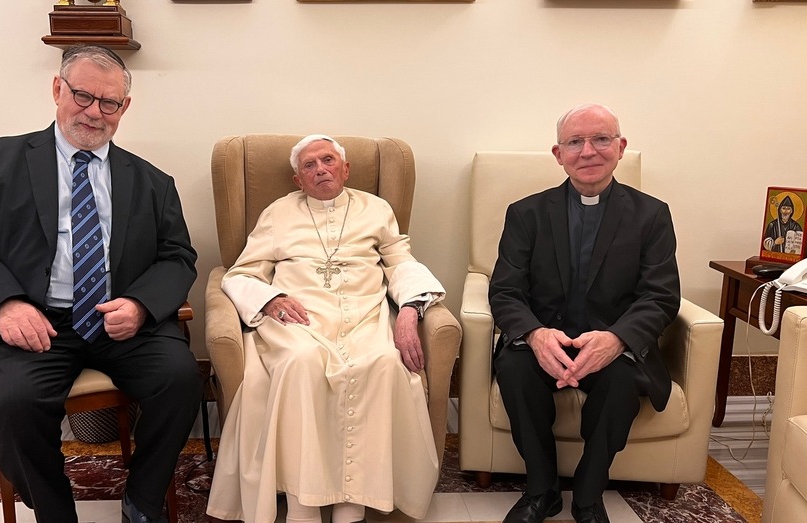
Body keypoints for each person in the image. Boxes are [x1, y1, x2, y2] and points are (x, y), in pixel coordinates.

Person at [0, 45, 201, 523]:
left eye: (109, 103)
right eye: (82, 95)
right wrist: (4, 305)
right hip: (36, 322)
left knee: (181, 380)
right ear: (57, 89)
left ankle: (141, 499)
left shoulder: (153, 182)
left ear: (124, 109)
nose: (94, 112)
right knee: (14, 405)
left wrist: (141, 306)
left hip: (121, 319)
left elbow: (178, 256)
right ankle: (54, 510)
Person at [206, 135, 445, 523]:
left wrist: (409, 312)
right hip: (299, 320)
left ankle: (353, 504)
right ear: (298, 180)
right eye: (309, 166)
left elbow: (401, 261)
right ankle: (305, 505)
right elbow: (242, 271)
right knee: (300, 363)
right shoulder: (278, 213)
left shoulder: (376, 208)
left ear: (345, 169)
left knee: (384, 363)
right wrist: (270, 300)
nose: (321, 170)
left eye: (328, 160)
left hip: (365, 316)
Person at [489, 104, 680, 523]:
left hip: (614, 341)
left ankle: (589, 496)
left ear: (620, 147)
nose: (588, 151)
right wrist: (537, 335)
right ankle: (541, 491)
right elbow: (505, 291)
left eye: (601, 139)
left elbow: (660, 296)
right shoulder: (526, 213)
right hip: (544, 339)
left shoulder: (652, 215)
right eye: (575, 142)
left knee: (620, 382)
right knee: (517, 372)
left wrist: (616, 339)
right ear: (558, 154)